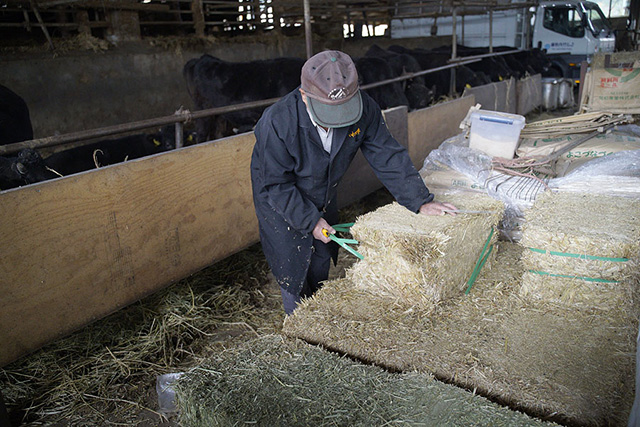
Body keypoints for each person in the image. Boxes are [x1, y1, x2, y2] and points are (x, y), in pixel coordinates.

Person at [250, 50, 457, 315]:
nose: (337, 122)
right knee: (291, 260)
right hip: (279, 196)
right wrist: (308, 220)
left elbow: (386, 153)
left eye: (344, 110)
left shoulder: (363, 108)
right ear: (304, 95)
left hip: (322, 189)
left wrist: (420, 201)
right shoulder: (278, 122)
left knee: (321, 254)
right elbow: (275, 184)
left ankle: (317, 306)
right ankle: (297, 321)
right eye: (328, 112)